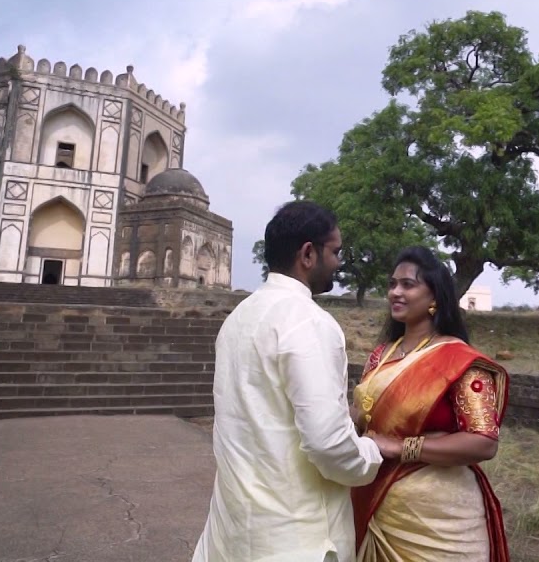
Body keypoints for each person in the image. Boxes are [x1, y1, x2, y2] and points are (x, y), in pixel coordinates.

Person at [192, 200, 402, 562]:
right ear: (308, 254)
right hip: (297, 535)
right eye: (335, 252)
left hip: (236, 527)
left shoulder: (239, 319)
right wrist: (373, 450)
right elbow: (327, 445)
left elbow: (265, 413)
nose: (338, 262)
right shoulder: (308, 322)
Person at [350, 246, 511, 561]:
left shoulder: (459, 361)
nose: (396, 292)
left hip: (438, 522)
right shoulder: (380, 355)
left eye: (408, 285)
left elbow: (483, 442)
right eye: (392, 284)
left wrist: (402, 447)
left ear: (434, 296)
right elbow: (365, 417)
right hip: (376, 504)